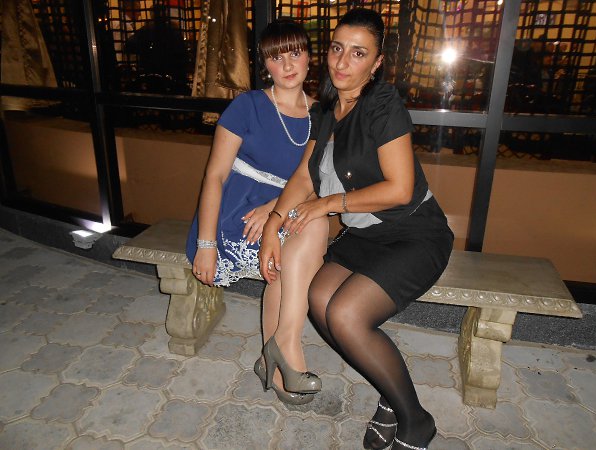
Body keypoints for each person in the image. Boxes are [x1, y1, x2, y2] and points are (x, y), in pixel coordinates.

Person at [259, 8, 453, 450]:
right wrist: (273, 224)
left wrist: (328, 204)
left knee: (346, 315)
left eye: (358, 53)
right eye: (337, 49)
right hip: (365, 237)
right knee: (318, 299)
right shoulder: (327, 110)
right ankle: (391, 393)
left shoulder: (382, 106)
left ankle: (415, 421)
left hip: (413, 233)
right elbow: (305, 175)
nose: (343, 62)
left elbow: (400, 189)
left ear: (377, 62)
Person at [185, 20, 328, 405]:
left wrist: (275, 208)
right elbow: (214, 176)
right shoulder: (247, 105)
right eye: (276, 57)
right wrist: (205, 245)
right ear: (265, 64)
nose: (288, 65)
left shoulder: (322, 114)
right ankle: (282, 358)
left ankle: (278, 354)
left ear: (309, 57)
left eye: (295, 53)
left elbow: (318, 180)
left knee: (310, 229)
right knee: (293, 255)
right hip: (237, 213)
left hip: (282, 210)